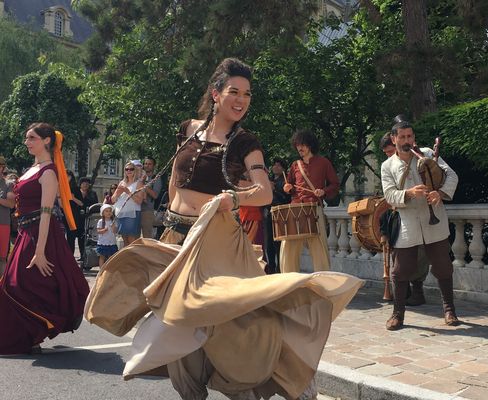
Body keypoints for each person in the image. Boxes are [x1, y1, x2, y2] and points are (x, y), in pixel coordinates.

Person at [84, 58, 361, 400]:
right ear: (216, 93)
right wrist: (169, 217)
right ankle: (193, 392)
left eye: (247, 93)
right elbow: (175, 180)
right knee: (177, 322)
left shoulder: (245, 142)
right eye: (234, 91)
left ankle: (285, 374)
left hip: (216, 239)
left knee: (236, 322)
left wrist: (233, 196)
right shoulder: (188, 129)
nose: (241, 99)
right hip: (177, 235)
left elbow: (264, 191)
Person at [0, 122, 89, 354]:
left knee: (19, 284)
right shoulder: (31, 169)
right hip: (25, 232)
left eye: (32, 138)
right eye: (27, 138)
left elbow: (47, 212)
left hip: (41, 234)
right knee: (19, 284)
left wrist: (40, 251)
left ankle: (37, 331)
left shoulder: (48, 171)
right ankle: (31, 337)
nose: (27, 142)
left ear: (47, 141)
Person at [380, 118, 459, 330]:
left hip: (434, 219)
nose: (407, 140)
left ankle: (449, 310)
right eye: (402, 137)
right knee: (400, 270)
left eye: (410, 136)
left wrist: (439, 194)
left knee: (443, 266)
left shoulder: (426, 153)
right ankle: (398, 314)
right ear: (394, 139)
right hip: (407, 223)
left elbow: (452, 176)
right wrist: (409, 193)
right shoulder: (387, 165)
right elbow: (389, 195)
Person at [280, 130, 340, 273]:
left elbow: (335, 185)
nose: (299, 148)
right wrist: (287, 188)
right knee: (288, 246)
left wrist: (323, 191)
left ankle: (323, 279)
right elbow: (289, 185)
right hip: (295, 208)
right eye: (297, 145)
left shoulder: (323, 162)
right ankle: (288, 280)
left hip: (314, 208)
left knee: (319, 247)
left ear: (310, 145)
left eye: (302, 145)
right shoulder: (295, 165)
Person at [380, 133, 429, 306]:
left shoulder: (418, 157)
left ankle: (417, 291)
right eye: (386, 152)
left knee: (420, 255)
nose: (388, 155)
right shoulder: (388, 165)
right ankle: (403, 294)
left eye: (389, 151)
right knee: (399, 258)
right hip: (398, 215)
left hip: (419, 214)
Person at [263, 158, 291, 274]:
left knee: (278, 242)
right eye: (274, 165)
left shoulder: (285, 181)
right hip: (268, 213)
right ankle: (271, 267)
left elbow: (286, 198)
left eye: (279, 165)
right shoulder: (268, 180)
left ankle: (280, 268)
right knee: (268, 242)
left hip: (280, 214)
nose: (276, 167)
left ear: (283, 168)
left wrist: (274, 189)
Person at [112, 161, 145, 246]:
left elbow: (139, 201)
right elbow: (113, 200)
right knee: (124, 239)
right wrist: (117, 193)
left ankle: (133, 258)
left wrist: (128, 192)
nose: (129, 171)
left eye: (131, 169)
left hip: (132, 213)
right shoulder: (122, 182)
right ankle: (127, 258)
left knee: (132, 240)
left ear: (135, 171)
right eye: (127, 169)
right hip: (121, 213)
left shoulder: (139, 183)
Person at [0, 156, 16, 276]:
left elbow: (11, 204)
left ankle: (3, 287)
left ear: (2, 168)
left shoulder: (8, 184)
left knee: (2, 258)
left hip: (2, 224)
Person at [140, 157, 162, 239]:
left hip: (147, 211)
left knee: (147, 238)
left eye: (149, 164)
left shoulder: (156, 178)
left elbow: (155, 195)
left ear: (153, 166)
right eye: (145, 163)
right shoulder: (138, 176)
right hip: (136, 210)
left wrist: (143, 184)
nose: (147, 166)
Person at [64, 170, 84, 255]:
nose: (66, 178)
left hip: (72, 214)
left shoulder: (75, 189)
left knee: (71, 237)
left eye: (68, 176)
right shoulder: (59, 186)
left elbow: (81, 203)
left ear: (71, 177)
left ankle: (70, 256)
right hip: (61, 213)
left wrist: (73, 198)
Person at [96, 203, 118, 268]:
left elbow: (115, 232)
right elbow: (98, 231)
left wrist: (114, 227)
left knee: (110, 257)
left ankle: (109, 269)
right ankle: (101, 270)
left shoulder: (113, 221)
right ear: (103, 213)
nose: (108, 213)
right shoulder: (101, 221)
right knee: (102, 257)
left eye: (110, 211)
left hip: (111, 242)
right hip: (103, 242)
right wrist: (104, 230)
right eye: (106, 211)